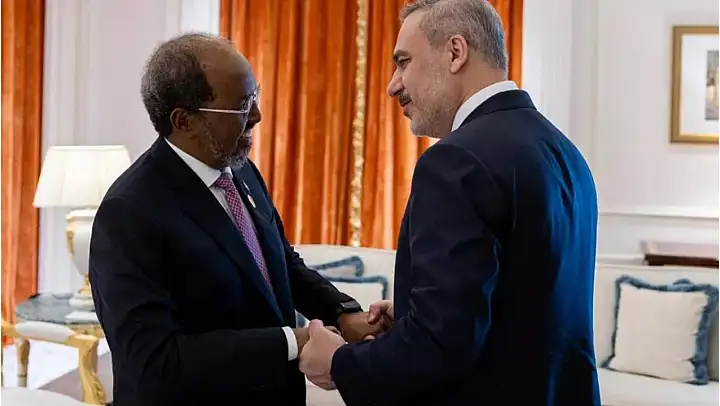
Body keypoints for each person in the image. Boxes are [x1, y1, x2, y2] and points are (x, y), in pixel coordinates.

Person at [299, 0, 602, 405]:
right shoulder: (563, 151)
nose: (393, 85)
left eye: (403, 62)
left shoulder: (455, 160)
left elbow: (439, 346)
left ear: (455, 52)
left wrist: (339, 362)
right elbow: (528, 301)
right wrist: (415, 313)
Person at [89, 33, 384, 406]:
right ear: (185, 121)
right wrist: (294, 341)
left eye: (254, 96)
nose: (257, 115)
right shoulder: (129, 212)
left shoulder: (241, 172)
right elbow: (154, 361)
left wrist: (342, 312)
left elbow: (282, 264)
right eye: (242, 106)